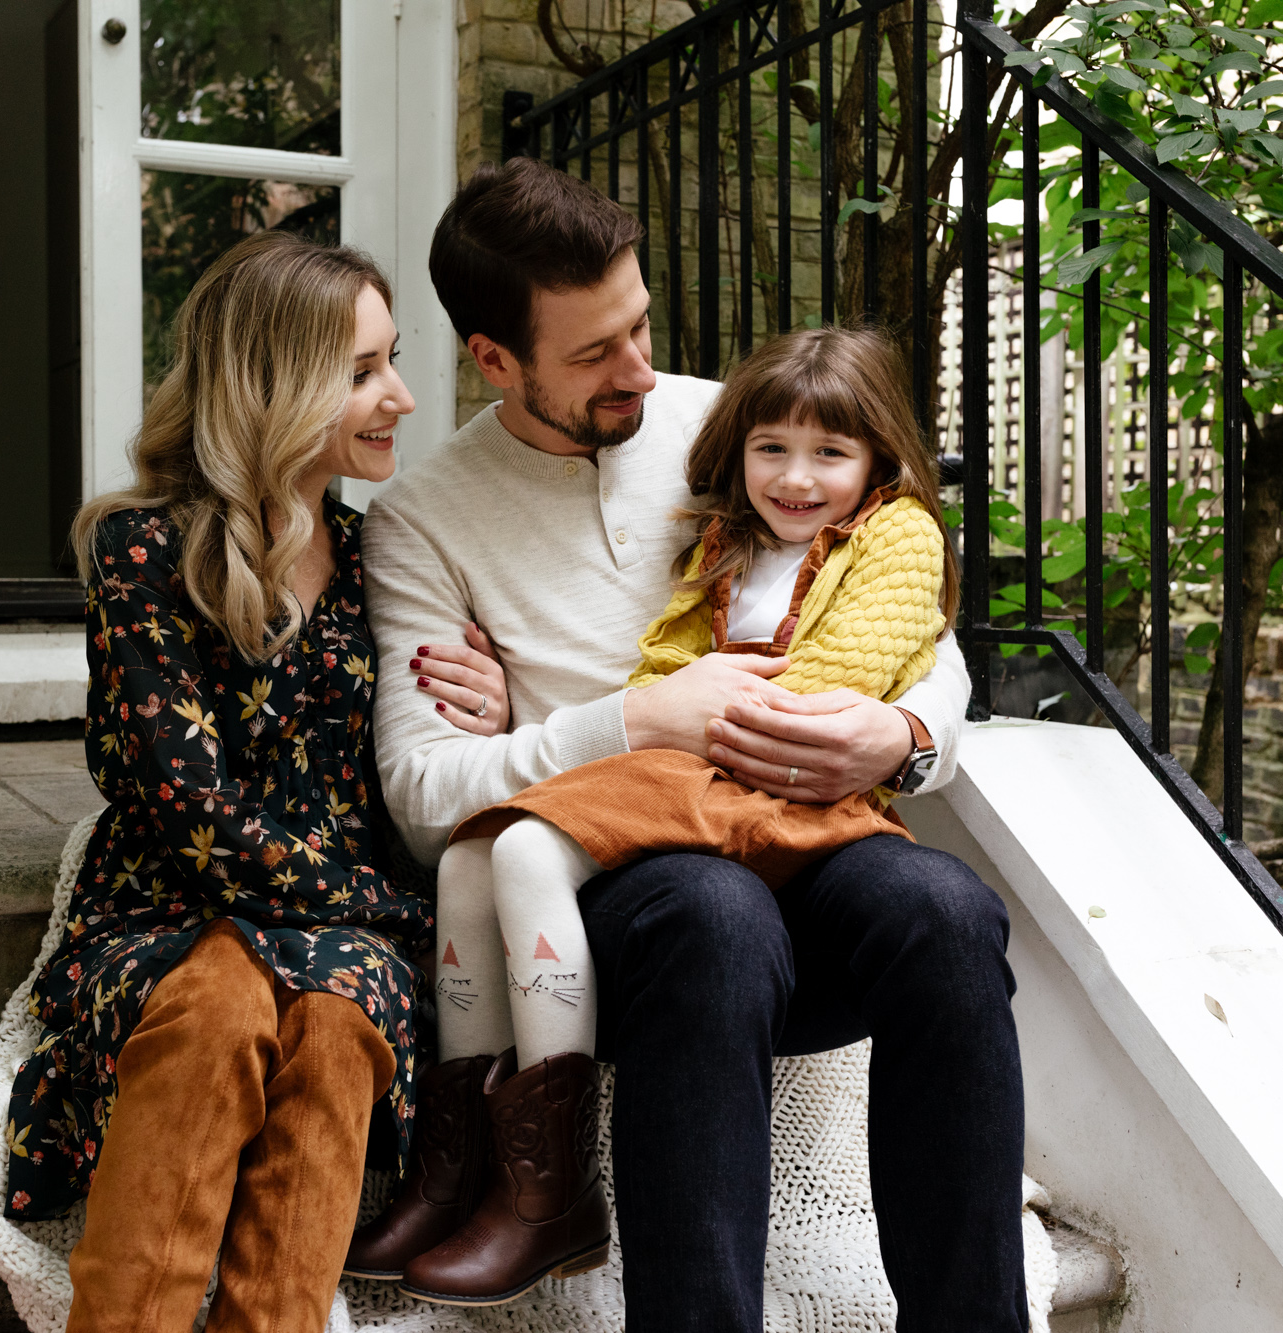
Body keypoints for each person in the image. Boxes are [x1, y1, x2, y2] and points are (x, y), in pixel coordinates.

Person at [357, 159, 1027, 1331]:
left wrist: (905, 733)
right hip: (619, 900)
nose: (638, 371)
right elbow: (421, 795)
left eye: (641, 325)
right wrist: (623, 721)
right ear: (494, 361)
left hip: (801, 834)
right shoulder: (423, 519)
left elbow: (902, 597)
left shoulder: (736, 421)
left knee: (947, 913)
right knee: (713, 915)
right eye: (592, 353)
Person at [1, 230, 459, 1333]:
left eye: (390, 359)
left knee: (337, 1018)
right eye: (359, 373)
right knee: (217, 1005)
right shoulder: (140, 551)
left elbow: (417, 729)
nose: (398, 395)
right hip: (169, 906)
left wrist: (473, 695)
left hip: (337, 932)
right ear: (272, 385)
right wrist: (394, 908)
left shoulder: (377, 554)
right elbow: (189, 812)